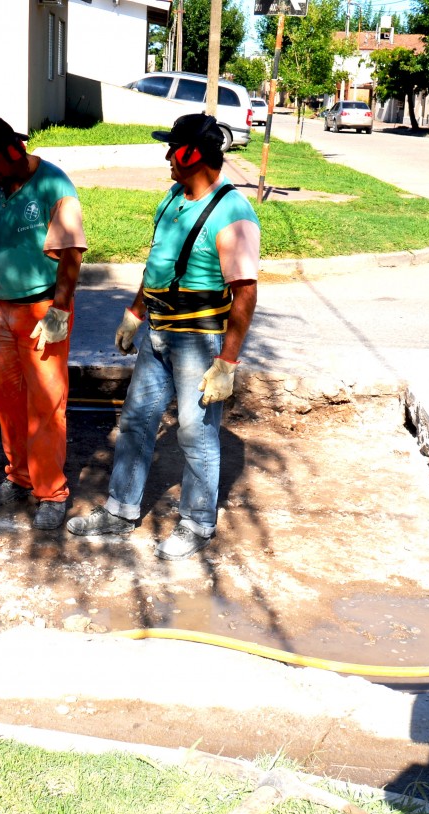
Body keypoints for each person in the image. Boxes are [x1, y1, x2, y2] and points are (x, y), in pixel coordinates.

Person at [66, 114, 259, 559]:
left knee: (195, 434)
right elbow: (159, 265)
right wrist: (135, 313)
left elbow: (245, 294)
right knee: (135, 420)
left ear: (195, 154)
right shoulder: (172, 198)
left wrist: (227, 363)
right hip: (157, 332)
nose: (168, 157)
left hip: (200, 340)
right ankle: (120, 510)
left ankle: (197, 522)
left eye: (174, 148)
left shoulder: (233, 212)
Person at [0, 117, 87, 530]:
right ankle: (19, 477)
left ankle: (51, 492)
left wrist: (59, 312)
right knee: (5, 397)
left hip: (42, 309)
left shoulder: (54, 187)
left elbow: (71, 256)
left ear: (13, 151)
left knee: (46, 402)